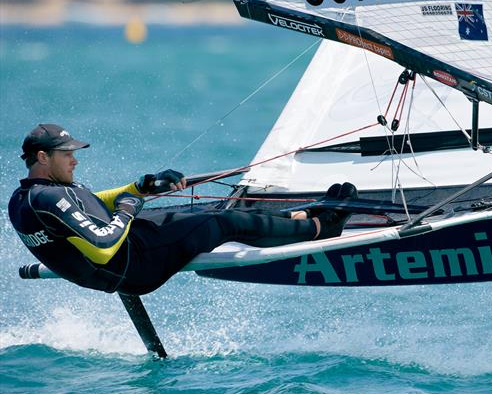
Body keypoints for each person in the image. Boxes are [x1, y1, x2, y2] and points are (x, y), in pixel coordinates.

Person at [9, 124, 355, 296]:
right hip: (133, 265)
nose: (75, 158)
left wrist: (140, 187)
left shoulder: (29, 197)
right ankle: (321, 228)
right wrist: (128, 209)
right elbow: (102, 245)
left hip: (125, 257)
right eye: (66, 153)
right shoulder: (50, 198)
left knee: (204, 210)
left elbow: (88, 207)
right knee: (223, 221)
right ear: (43, 158)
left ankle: (295, 217)